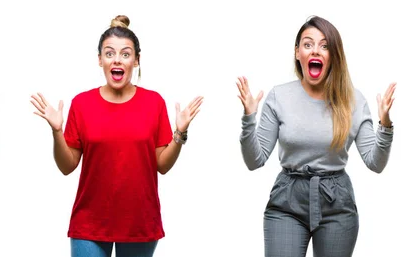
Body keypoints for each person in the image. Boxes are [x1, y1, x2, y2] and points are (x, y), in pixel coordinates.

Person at [31, 15, 203, 257]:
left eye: (125, 54)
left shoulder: (153, 103)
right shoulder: (82, 104)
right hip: (89, 223)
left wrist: (180, 133)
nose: (117, 60)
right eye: (109, 53)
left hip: (139, 223)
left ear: (136, 60)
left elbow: (162, 165)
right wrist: (56, 131)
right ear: (100, 60)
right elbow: (67, 166)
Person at [237, 15, 396, 256]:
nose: (316, 51)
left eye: (324, 46)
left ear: (334, 55)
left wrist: (384, 125)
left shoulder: (353, 100)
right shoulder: (279, 97)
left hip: (337, 206)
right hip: (286, 204)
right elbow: (254, 160)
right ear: (297, 52)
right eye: (308, 44)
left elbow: (375, 163)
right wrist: (249, 118)